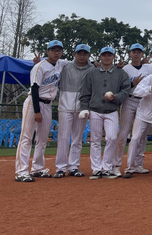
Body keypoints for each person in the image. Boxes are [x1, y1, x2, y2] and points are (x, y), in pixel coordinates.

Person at [15, 40, 68, 182]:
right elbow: (34, 88)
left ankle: (37, 168)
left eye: (59, 50)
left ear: (62, 52)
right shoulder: (39, 67)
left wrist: (96, 64)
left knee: (43, 138)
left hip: (48, 104)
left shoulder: (61, 64)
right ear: (47, 51)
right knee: (26, 137)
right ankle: (21, 171)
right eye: (53, 50)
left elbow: (79, 63)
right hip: (34, 103)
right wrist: (37, 111)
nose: (56, 52)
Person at [80, 46, 131, 180]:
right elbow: (85, 93)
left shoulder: (120, 73)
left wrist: (115, 97)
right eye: (104, 55)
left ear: (113, 57)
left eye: (109, 55)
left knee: (112, 138)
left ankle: (107, 168)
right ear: (100, 57)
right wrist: (84, 108)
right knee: (95, 140)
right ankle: (96, 169)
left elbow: (126, 90)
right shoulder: (92, 73)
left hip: (112, 110)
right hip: (95, 110)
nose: (107, 57)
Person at [114, 43, 152, 177]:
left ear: (142, 54)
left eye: (139, 52)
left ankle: (138, 164)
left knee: (141, 135)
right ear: (130, 54)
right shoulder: (125, 69)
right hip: (129, 100)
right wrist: (132, 84)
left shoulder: (149, 68)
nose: (136, 54)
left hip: (144, 102)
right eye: (134, 52)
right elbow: (119, 86)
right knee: (123, 134)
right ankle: (116, 165)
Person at [54, 43, 94, 178]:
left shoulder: (93, 69)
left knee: (77, 138)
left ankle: (73, 166)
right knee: (63, 137)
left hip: (82, 107)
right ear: (74, 54)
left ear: (89, 55)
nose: (82, 56)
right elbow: (50, 65)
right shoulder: (65, 66)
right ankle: (60, 167)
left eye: (85, 53)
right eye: (79, 53)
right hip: (65, 107)